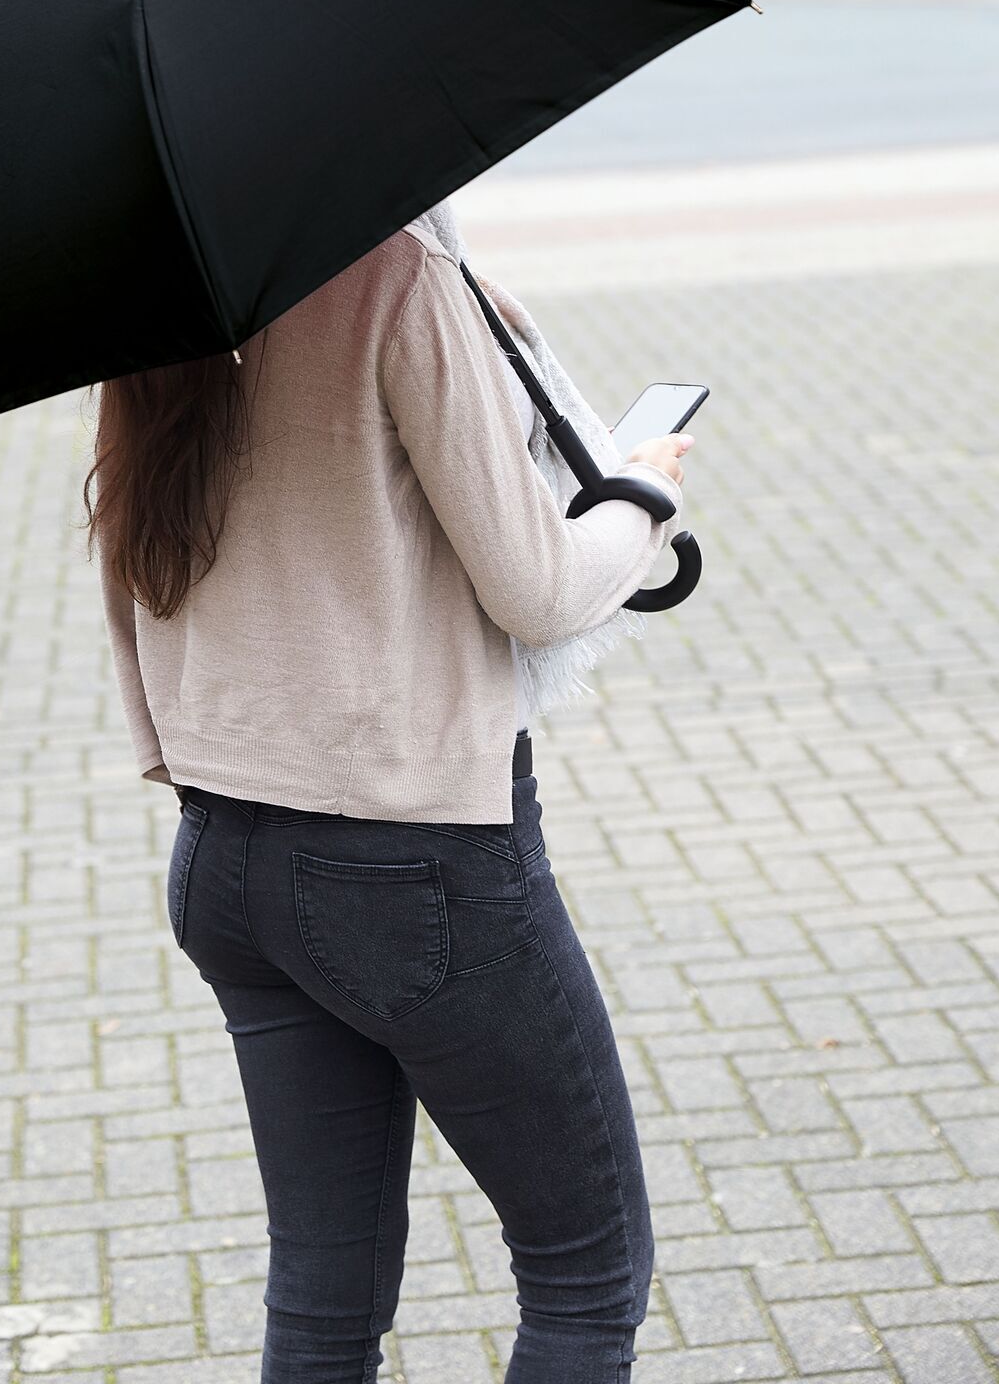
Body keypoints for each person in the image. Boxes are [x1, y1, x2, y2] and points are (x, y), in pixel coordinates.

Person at [87, 206, 693, 1384]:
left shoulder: (153, 275)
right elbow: (539, 587)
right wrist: (639, 495)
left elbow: (132, 564)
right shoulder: (395, 272)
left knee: (323, 1301)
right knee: (586, 1273)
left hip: (225, 858)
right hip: (416, 865)